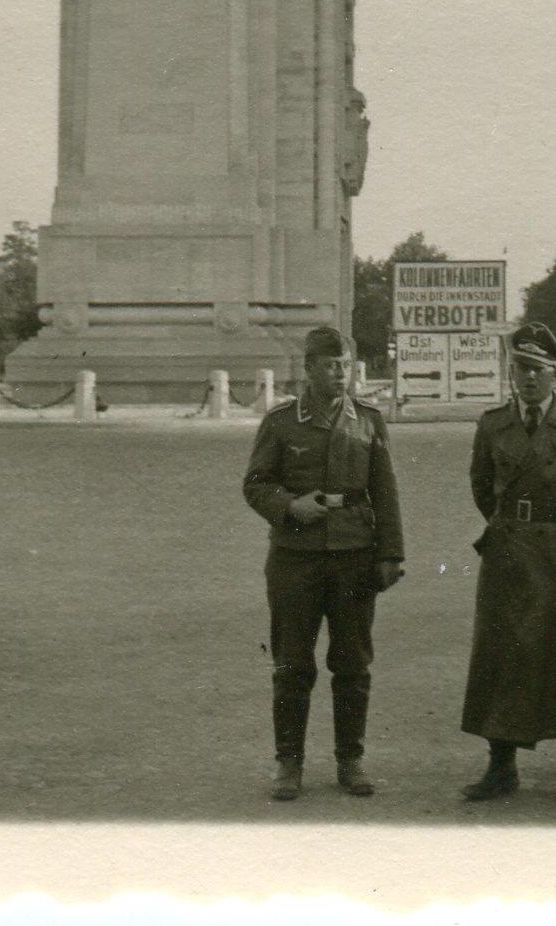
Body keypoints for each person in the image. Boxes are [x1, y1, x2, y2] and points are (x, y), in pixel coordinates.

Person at [243, 322, 404, 800]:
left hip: (355, 557)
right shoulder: (281, 422)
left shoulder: (368, 421)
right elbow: (255, 484)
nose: (341, 374)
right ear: (309, 369)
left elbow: (385, 491)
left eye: (346, 365)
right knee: (292, 664)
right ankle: (288, 763)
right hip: (296, 559)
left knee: (353, 663)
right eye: (330, 366)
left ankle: (350, 760)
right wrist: (290, 507)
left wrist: (391, 554)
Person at [461, 320, 556, 804]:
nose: (528, 379)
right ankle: (501, 765)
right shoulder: (493, 424)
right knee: (503, 652)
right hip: (509, 551)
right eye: (520, 369)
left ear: (554, 374)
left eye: (537, 370)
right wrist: (509, 523)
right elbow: (482, 485)